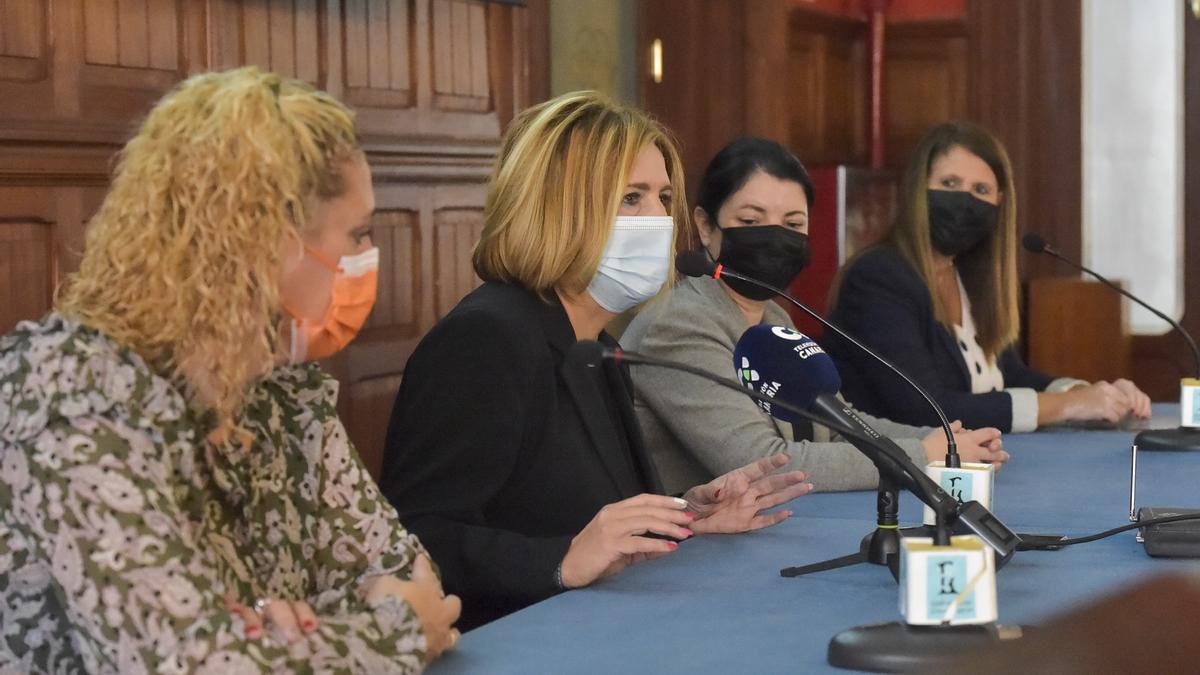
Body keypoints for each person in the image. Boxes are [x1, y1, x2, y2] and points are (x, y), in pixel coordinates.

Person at [0, 67, 459, 673]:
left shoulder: (280, 389)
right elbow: (190, 662)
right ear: (268, 241)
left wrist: (280, 639)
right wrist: (389, 634)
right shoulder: (69, 392)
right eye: (355, 235)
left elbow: (407, 575)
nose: (364, 260)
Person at [379, 93, 811, 631]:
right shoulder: (483, 339)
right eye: (631, 197)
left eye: (663, 196)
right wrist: (560, 562)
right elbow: (414, 536)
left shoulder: (595, 344)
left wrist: (685, 517)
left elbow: (588, 515)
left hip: (600, 630)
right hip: (515, 642)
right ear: (555, 207)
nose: (657, 217)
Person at [622, 137, 1007, 496]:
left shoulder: (773, 317)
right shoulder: (678, 325)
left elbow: (838, 424)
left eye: (792, 224)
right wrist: (923, 456)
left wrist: (951, 441)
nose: (775, 237)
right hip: (692, 551)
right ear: (706, 227)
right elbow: (760, 464)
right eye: (752, 221)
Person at [826, 121, 1153, 432]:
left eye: (980, 189)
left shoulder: (969, 277)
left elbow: (1007, 376)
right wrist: (1065, 406)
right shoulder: (878, 276)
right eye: (949, 184)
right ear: (918, 189)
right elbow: (925, 409)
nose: (964, 200)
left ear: (999, 203)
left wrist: (1090, 394)